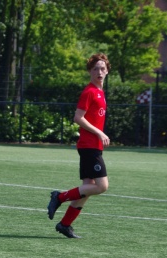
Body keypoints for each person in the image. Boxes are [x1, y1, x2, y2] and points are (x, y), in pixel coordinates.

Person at [47, 53, 111, 238]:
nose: (99, 72)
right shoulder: (90, 91)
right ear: (90, 72)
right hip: (89, 145)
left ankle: (65, 225)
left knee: (87, 189)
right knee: (101, 186)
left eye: (102, 68)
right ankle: (59, 197)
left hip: (93, 145)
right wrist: (99, 133)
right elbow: (78, 117)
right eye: (95, 69)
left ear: (107, 71)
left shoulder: (100, 92)